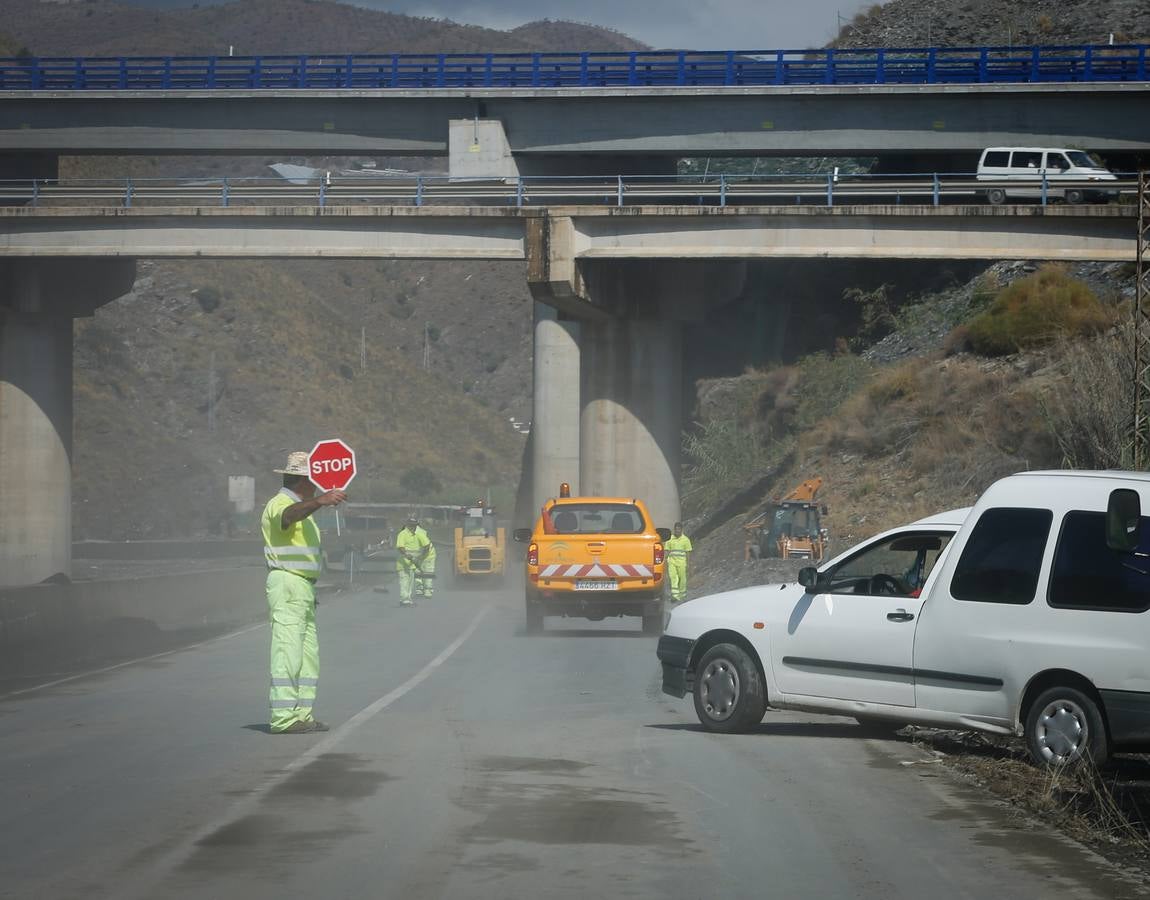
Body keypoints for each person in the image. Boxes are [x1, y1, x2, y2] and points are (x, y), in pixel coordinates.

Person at [261, 451, 346, 734]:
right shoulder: (281, 503)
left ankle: (302, 715)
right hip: (287, 584)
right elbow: (287, 517)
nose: (319, 486)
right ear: (304, 480)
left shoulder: (303, 508)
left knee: (308, 655)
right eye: (316, 480)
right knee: (288, 652)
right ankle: (283, 717)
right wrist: (320, 501)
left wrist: (309, 588)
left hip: (302, 588)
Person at [395, 513, 430, 607]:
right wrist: (407, 555)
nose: (412, 526)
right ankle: (404, 600)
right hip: (403, 562)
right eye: (411, 525)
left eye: (414, 525)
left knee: (410, 582)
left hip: (413, 563)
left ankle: (407, 599)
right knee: (404, 580)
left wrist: (421, 556)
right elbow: (400, 547)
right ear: (407, 524)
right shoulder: (402, 534)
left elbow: (427, 545)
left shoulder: (418, 534)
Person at [665, 521, 693, 604]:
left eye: (679, 529)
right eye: (676, 529)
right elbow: (667, 550)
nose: (677, 531)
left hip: (682, 563)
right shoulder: (670, 539)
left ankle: (682, 595)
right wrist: (665, 559)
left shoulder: (685, 540)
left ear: (681, 530)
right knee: (673, 578)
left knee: (682, 579)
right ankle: (675, 596)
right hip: (672, 562)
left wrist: (688, 563)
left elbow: (688, 552)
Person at [415, 521, 438, 599]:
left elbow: (426, 548)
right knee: (418, 571)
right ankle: (420, 588)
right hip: (420, 554)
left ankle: (427, 590)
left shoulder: (419, 534)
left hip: (429, 555)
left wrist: (420, 557)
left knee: (427, 572)